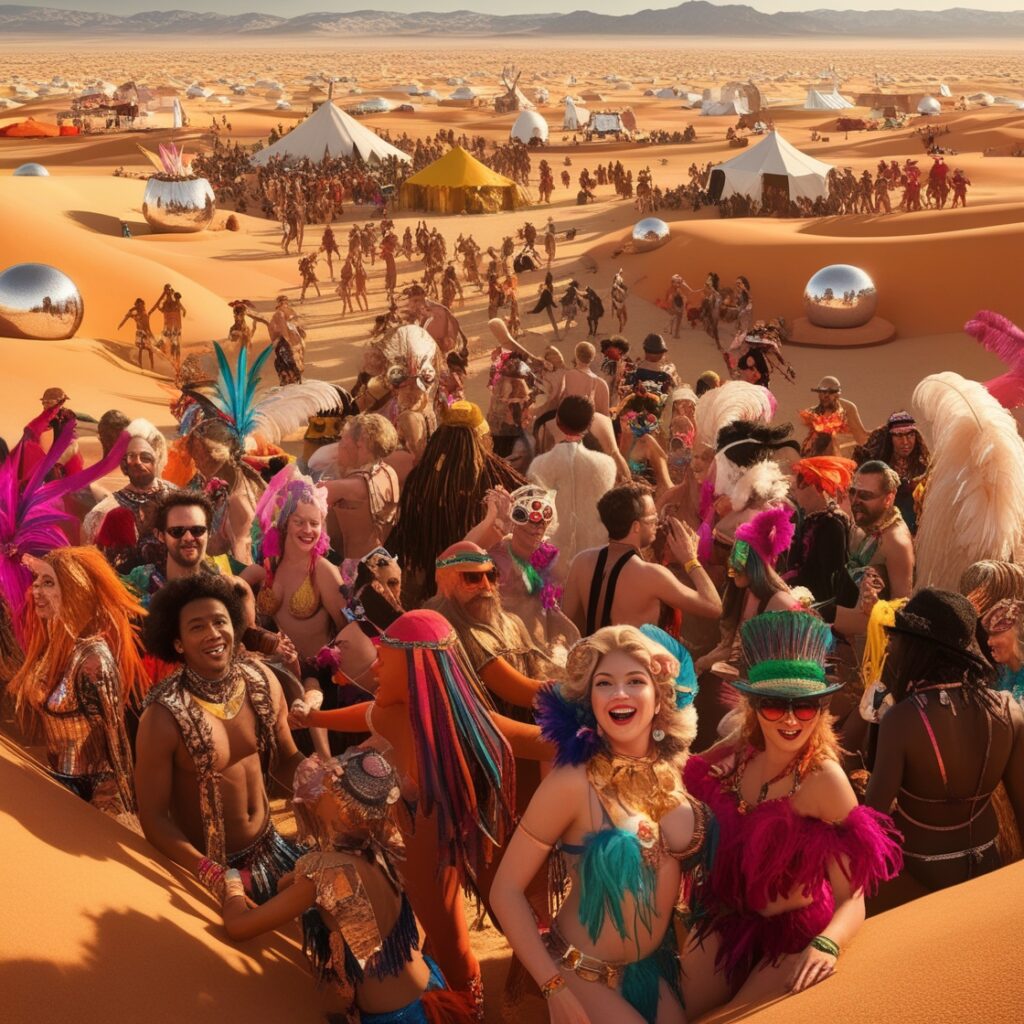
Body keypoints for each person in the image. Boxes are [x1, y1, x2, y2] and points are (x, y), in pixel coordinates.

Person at [289, 609, 551, 1002]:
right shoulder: (393, 715)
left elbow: (549, 742)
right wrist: (313, 717)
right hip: (424, 844)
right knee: (446, 936)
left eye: (383, 659)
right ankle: (462, 1001)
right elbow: (360, 715)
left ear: (415, 671)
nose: (374, 666)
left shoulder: (478, 724)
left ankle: (469, 1004)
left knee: (501, 925)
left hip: (476, 834)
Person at [682, 611, 903, 1017]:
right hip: (728, 918)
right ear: (753, 706)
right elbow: (681, 774)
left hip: (792, 937)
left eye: (804, 707)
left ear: (821, 710)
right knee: (681, 1012)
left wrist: (828, 943)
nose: (788, 719)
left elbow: (852, 896)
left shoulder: (825, 781)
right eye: (773, 706)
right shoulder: (741, 752)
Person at [492, 625, 711, 1024]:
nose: (620, 694)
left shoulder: (671, 769)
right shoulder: (571, 782)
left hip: (651, 971)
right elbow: (505, 891)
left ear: (658, 695)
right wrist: (552, 987)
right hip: (581, 976)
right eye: (604, 683)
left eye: (635, 681)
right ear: (589, 700)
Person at [220, 749, 476, 1023]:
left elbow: (239, 927)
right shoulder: (382, 848)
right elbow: (296, 888)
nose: (324, 780)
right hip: (429, 987)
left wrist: (232, 885)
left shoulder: (325, 873)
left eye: (331, 784)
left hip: (398, 1017)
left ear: (344, 810)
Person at [136, 574, 305, 904]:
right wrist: (212, 875)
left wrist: (326, 786)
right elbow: (153, 819)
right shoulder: (162, 717)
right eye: (197, 627)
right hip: (209, 874)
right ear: (178, 643)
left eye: (220, 622)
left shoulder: (262, 680)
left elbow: (287, 761)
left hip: (275, 850)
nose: (213, 634)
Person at [865, 589, 1024, 905]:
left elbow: (871, 820)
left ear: (918, 647)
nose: (892, 647)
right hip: (989, 863)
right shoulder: (1009, 711)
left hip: (919, 874)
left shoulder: (902, 720)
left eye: (898, 640)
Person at [8, 548, 147, 826]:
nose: (36, 587)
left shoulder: (93, 662)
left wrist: (117, 811)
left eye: (48, 582)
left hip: (93, 798)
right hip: (54, 782)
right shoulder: (50, 647)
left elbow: (117, 745)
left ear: (73, 591)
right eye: (37, 580)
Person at [242, 466, 346, 751]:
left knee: (309, 690)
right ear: (285, 523)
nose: (308, 530)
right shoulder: (267, 569)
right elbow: (233, 588)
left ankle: (324, 758)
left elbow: (348, 627)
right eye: (300, 521)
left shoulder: (323, 571)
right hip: (280, 666)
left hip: (319, 671)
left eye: (315, 524)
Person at [562, 483, 722, 636]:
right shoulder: (652, 575)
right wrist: (691, 560)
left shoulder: (580, 561)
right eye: (653, 519)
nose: (658, 524)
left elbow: (567, 628)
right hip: (635, 662)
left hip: (590, 659)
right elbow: (713, 607)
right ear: (636, 526)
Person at [465, 484, 580, 652]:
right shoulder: (498, 558)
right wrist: (491, 519)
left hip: (539, 652)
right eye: (529, 519)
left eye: (544, 519)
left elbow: (548, 608)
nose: (538, 526)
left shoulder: (547, 558)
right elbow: (458, 557)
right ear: (515, 520)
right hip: (503, 649)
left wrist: (573, 637)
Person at [527, 396, 618, 572]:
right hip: (597, 551)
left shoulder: (540, 465)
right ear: (590, 423)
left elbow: (537, 510)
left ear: (558, 422)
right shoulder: (607, 464)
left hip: (559, 553)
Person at [315, 413, 401, 572]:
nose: (340, 444)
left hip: (353, 569)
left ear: (361, 444)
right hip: (382, 561)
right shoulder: (389, 472)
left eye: (344, 439)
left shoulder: (352, 486)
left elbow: (304, 496)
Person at [786, 456, 856, 614]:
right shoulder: (813, 520)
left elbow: (829, 579)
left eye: (797, 489)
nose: (795, 496)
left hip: (817, 610)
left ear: (813, 488)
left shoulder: (831, 525)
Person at [853, 411, 929, 533]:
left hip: (916, 531)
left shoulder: (923, 468)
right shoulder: (879, 469)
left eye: (910, 435)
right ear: (890, 438)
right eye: (899, 436)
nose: (905, 442)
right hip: (883, 532)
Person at [799, 376, 869, 456]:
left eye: (830, 392)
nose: (825, 396)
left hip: (841, 459)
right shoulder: (811, 413)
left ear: (837, 394)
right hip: (818, 459)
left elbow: (860, 436)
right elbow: (806, 441)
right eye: (822, 392)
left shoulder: (847, 408)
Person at [118, 298, 158, 370]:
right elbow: (127, 317)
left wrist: (152, 337)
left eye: (142, 305)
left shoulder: (144, 314)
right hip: (140, 332)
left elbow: (148, 327)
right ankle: (140, 366)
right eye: (140, 305)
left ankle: (152, 367)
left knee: (150, 350)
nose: (142, 306)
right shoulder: (135, 312)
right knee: (141, 349)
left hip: (145, 333)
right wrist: (121, 324)